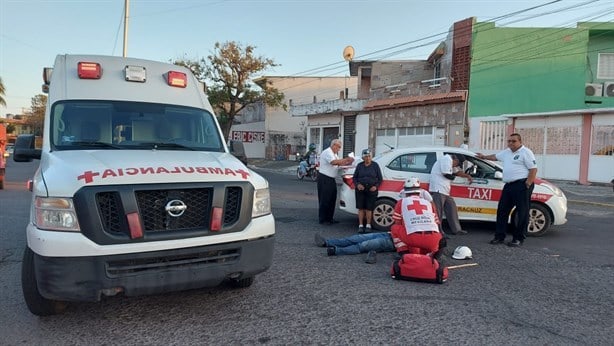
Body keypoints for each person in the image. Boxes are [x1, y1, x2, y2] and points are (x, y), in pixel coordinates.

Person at [476, 133, 537, 247]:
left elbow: (533, 169)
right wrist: (483, 157)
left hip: (521, 185)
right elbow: (495, 157)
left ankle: (518, 238)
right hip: (509, 185)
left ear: (520, 142)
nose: (510, 143)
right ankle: (499, 236)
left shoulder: (526, 152)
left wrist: (528, 183)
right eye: (509, 141)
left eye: (513, 141)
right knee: (502, 211)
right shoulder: (507, 152)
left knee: (522, 213)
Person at [390, 177, 444, 257]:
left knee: (394, 228)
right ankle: (432, 253)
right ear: (419, 191)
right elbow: (436, 223)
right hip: (434, 239)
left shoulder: (402, 202)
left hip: (414, 238)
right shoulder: (428, 203)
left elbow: (398, 222)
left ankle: (404, 253)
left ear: (406, 192)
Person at [429, 153, 473, 236]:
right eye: (457, 164)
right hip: (438, 189)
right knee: (438, 212)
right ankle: (438, 232)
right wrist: (458, 179)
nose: (455, 166)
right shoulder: (446, 159)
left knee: (451, 207)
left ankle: (457, 230)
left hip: (444, 190)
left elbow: (457, 172)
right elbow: (446, 174)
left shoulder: (451, 162)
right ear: (455, 160)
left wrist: (467, 176)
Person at [317, 139, 354, 225]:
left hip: (331, 179)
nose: (339, 149)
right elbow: (334, 162)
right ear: (334, 145)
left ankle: (329, 218)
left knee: (332, 199)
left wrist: (348, 164)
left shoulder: (334, 154)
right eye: (339, 147)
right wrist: (346, 159)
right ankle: (323, 219)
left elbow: (339, 164)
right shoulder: (327, 152)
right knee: (325, 199)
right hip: (325, 178)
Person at [352, 148, 383, 233]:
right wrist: (357, 184)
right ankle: (361, 225)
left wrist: (376, 187)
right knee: (361, 208)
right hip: (360, 189)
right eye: (366, 156)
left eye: (369, 156)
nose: (368, 158)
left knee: (369, 208)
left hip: (371, 189)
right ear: (363, 157)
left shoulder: (375, 165)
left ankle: (368, 225)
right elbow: (354, 178)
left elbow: (380, 179)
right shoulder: (359, 165)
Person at [314, 232, 395, 264]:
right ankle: (326, 243)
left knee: (362, 245)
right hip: (388, 234)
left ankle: (336, 251)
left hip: (393, 242)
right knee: (355, 238)